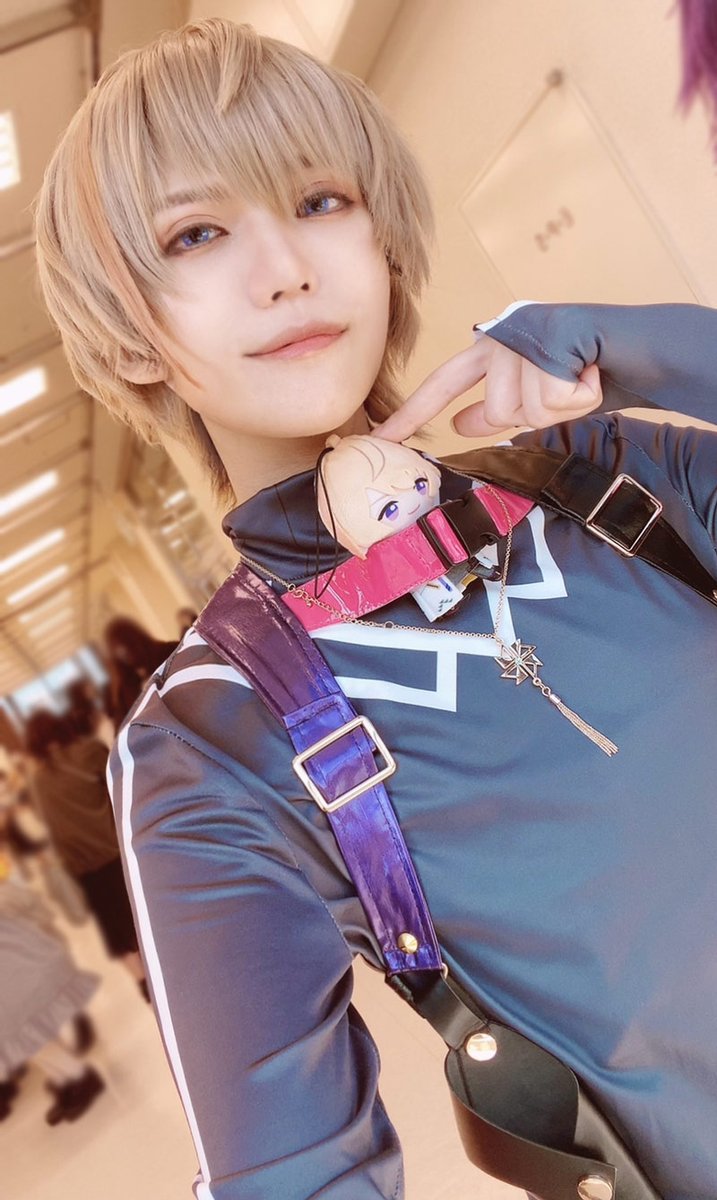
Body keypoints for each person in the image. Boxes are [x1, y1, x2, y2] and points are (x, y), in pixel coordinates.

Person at [33, 17, 717, 1200]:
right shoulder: (208, 741)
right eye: (197, 233)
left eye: (319, 200)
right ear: (131, 334)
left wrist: (647, 353)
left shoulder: (600, 479)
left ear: (381, 236)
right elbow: (297, 1177)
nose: (285, 268)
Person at [24, 710, 148, 1001]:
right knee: (143, 919)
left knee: (118, 938)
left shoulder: (38, 782)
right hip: (120, 854)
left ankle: (145, 987)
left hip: (86, 871)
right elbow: (123, 789)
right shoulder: (89, 751)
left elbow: (51, 830)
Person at [0, 848, 105, 1125]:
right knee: (23, 1033)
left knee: (24, 1031)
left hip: (15, 961)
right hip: (14, 962)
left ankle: (78, 1077)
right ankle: (65, 1079)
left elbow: (14, 893)